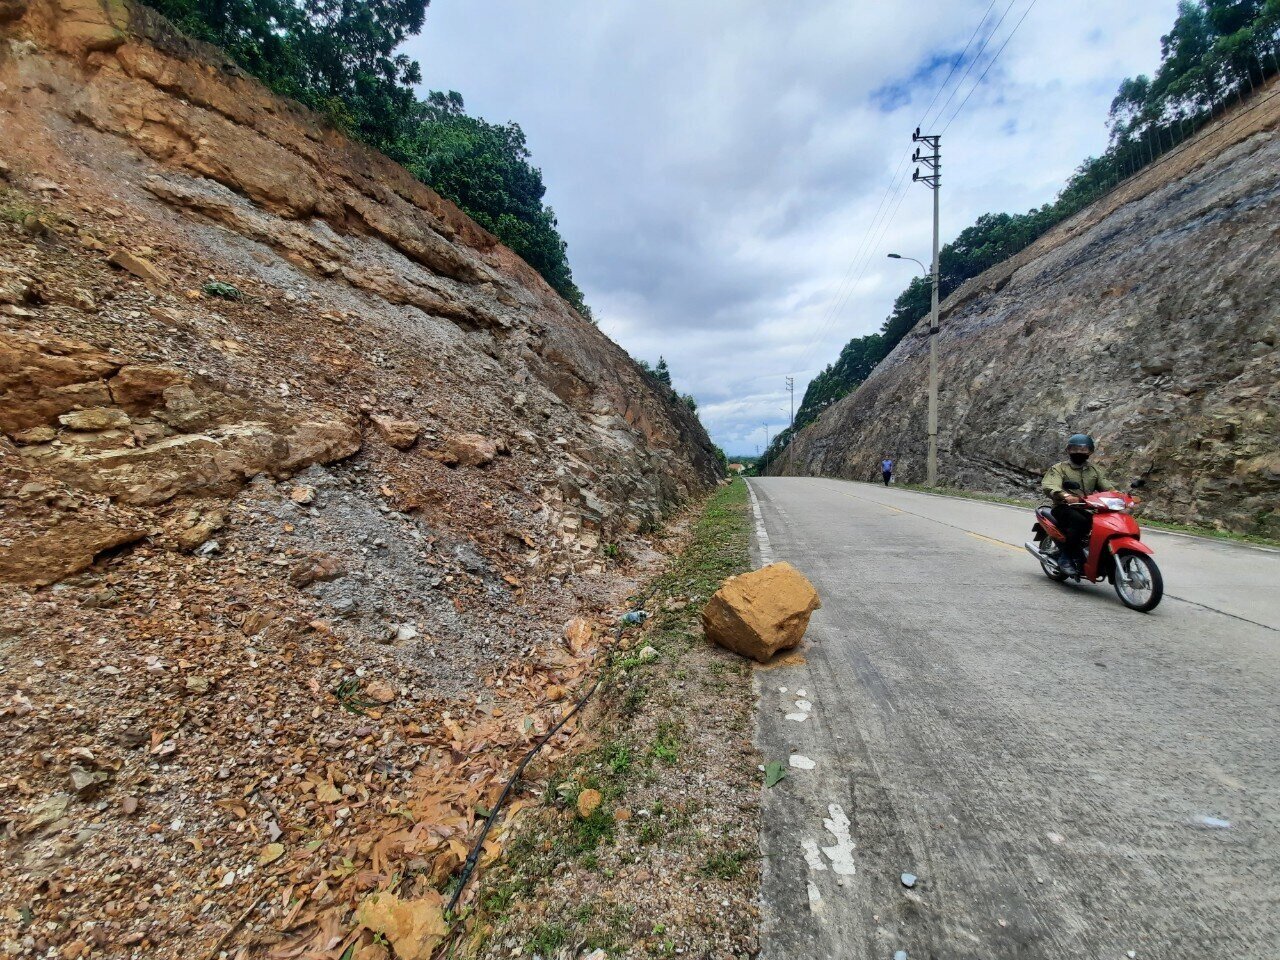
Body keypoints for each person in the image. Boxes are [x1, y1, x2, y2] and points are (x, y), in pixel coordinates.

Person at [1041, 433, 1116, 577]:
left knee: (1106, 525)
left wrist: (1118, 495)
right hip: (1064, 507)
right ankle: (1065, 557)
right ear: (1068, 450)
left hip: (1087, 507)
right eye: (1075, 449)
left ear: (1090, 451)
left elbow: (1107, 487)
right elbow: (1049, 485)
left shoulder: (1094, 470)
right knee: (1080, 521)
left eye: (1084, 450)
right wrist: (1066, 495)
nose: (1079, 452)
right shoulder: (1059, 468)